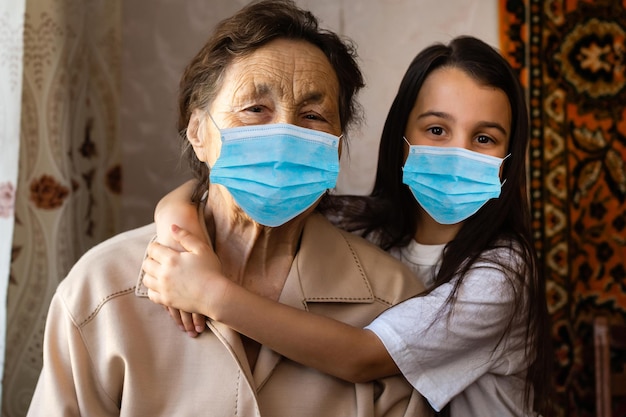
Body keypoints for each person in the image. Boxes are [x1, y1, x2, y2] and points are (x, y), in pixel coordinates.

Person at [26, 1, 433, 416]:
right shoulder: (102, 292)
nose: (284, 135)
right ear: (198, 132)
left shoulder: (392, 303)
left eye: (313, 116)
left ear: (338, 146)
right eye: (256, 109)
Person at [142, 35, 552, 416]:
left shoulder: (503, 274)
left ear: (509, 159)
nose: (458, 153)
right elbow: (213, 191)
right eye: (437, 129)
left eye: (484, 139)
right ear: (401, 136)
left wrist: (210, 294)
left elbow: (363, 357)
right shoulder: (361, 224)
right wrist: (174, 221)